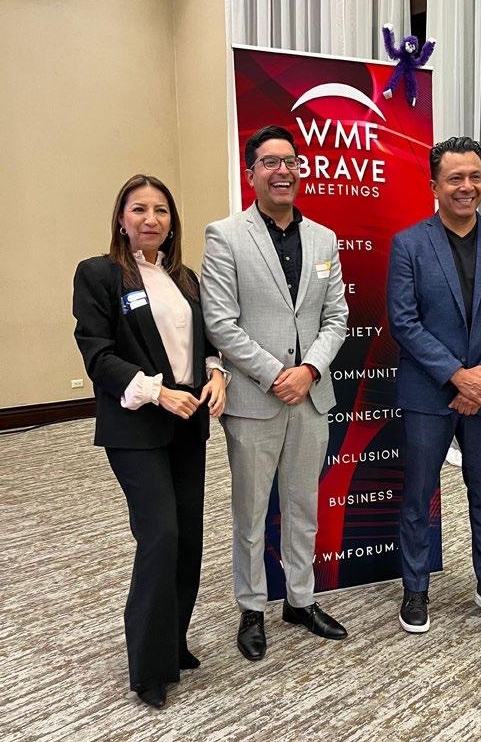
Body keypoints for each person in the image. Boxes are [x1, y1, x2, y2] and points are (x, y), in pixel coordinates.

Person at [73, 174, 226, 708]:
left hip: (188, 420)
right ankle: (148, 668)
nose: (150, 219)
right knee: (159, 535)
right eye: (139, 209)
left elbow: (203, 340)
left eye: (160, 210)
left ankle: (173, 642)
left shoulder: (184, 278)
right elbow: (98, 354)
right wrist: (158, 392)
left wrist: (215, 372)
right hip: (137, 423)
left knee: (187, 538)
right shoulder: (99, 273)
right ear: (121, 218)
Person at [200, 125, 349, 662]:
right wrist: (275, 374)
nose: (283, 170)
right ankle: (251, 607)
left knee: (303, 505)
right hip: (254, 402)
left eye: (291, 161)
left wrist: (308, 369)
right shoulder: (225, 236)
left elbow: (336, 317)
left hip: (310, 397)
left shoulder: (324, 239)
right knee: (251, 511)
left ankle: (300, 600)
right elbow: (220, 323)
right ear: (251, 173)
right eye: (270, 162)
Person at [387, 136, 481, 634]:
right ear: (434, 186)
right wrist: (455, 376)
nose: (466, 187)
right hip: (429, 392)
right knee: (419, 493)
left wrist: (480, 380)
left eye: (474, 176)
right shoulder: (409, 244)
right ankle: (415, 588)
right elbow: (404, 321)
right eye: (455, 178)